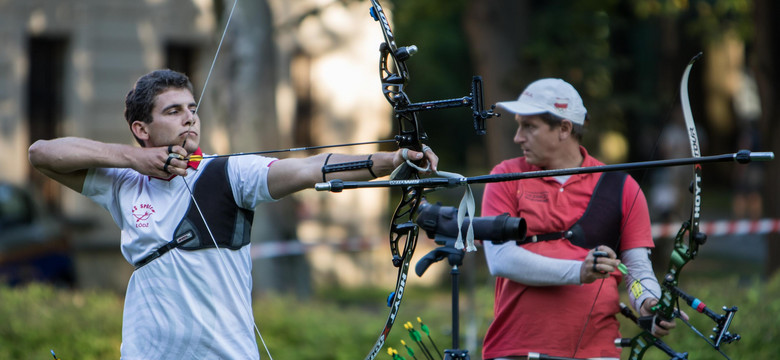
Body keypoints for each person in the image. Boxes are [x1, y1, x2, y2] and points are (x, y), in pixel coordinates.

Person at [28, 69, 438, 360]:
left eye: (192, 108)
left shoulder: (229, 173)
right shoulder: (123, 182)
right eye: (173, 111)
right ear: (141, 129)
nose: (190, 116)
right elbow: (42, 154)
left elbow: (309, 168)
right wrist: (135, 161)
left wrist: (391, 160)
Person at [480, 78, 680, 360]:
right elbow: (501, 258)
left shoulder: (621, 187)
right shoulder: (504, 176)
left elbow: (636, 269)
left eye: (529, 126)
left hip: (596, 351)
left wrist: (648, 301)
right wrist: (578, 272)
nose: (518, 137)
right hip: (516, 349)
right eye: (518, 125)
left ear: (564, 128)